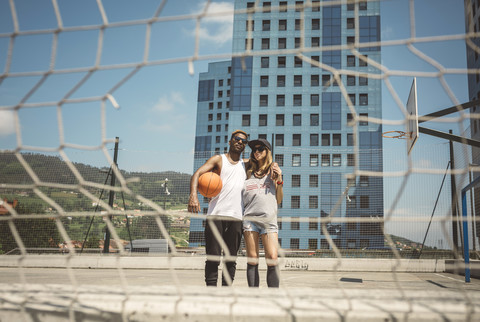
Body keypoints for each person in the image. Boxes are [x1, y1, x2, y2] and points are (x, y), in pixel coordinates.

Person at [188, 129, 249, 286]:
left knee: (230, 259)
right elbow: (197, 174)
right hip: (216, 215)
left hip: (236, 217)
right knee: (213, 257)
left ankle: (226, 291)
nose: (240, 142)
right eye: (237, 139)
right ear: (230, 142)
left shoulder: (246, 165)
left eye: (243, 141)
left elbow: (266, 160)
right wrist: (193, 195)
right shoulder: (218, 160)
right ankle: (211, 291)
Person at [242, 138, 283, 288]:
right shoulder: (247, 171)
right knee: (252, 258)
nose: (257, 152)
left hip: (268, 219)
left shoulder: (273, 171)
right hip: (250, 218)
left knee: (272, 257)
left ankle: (273, 296)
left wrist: (279, 180)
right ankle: (254, 296)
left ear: (267, 152)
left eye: (260, 149)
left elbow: (278, 199)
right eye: (254, 149)